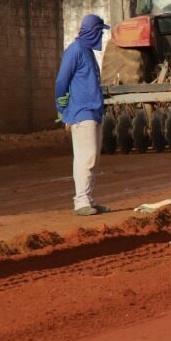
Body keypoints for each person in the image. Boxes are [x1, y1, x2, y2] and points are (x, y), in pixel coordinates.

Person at [56, 14, 108, 216]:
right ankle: (81, 201)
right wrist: (62, 109)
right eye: (100, 31)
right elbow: (61, 83)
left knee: (93, 159)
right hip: (80, 112)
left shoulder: (88, 52)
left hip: (94, 111)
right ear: (92, 31)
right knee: (86, 157)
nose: (101, 35)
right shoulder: (75, 51)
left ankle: (88, 199)